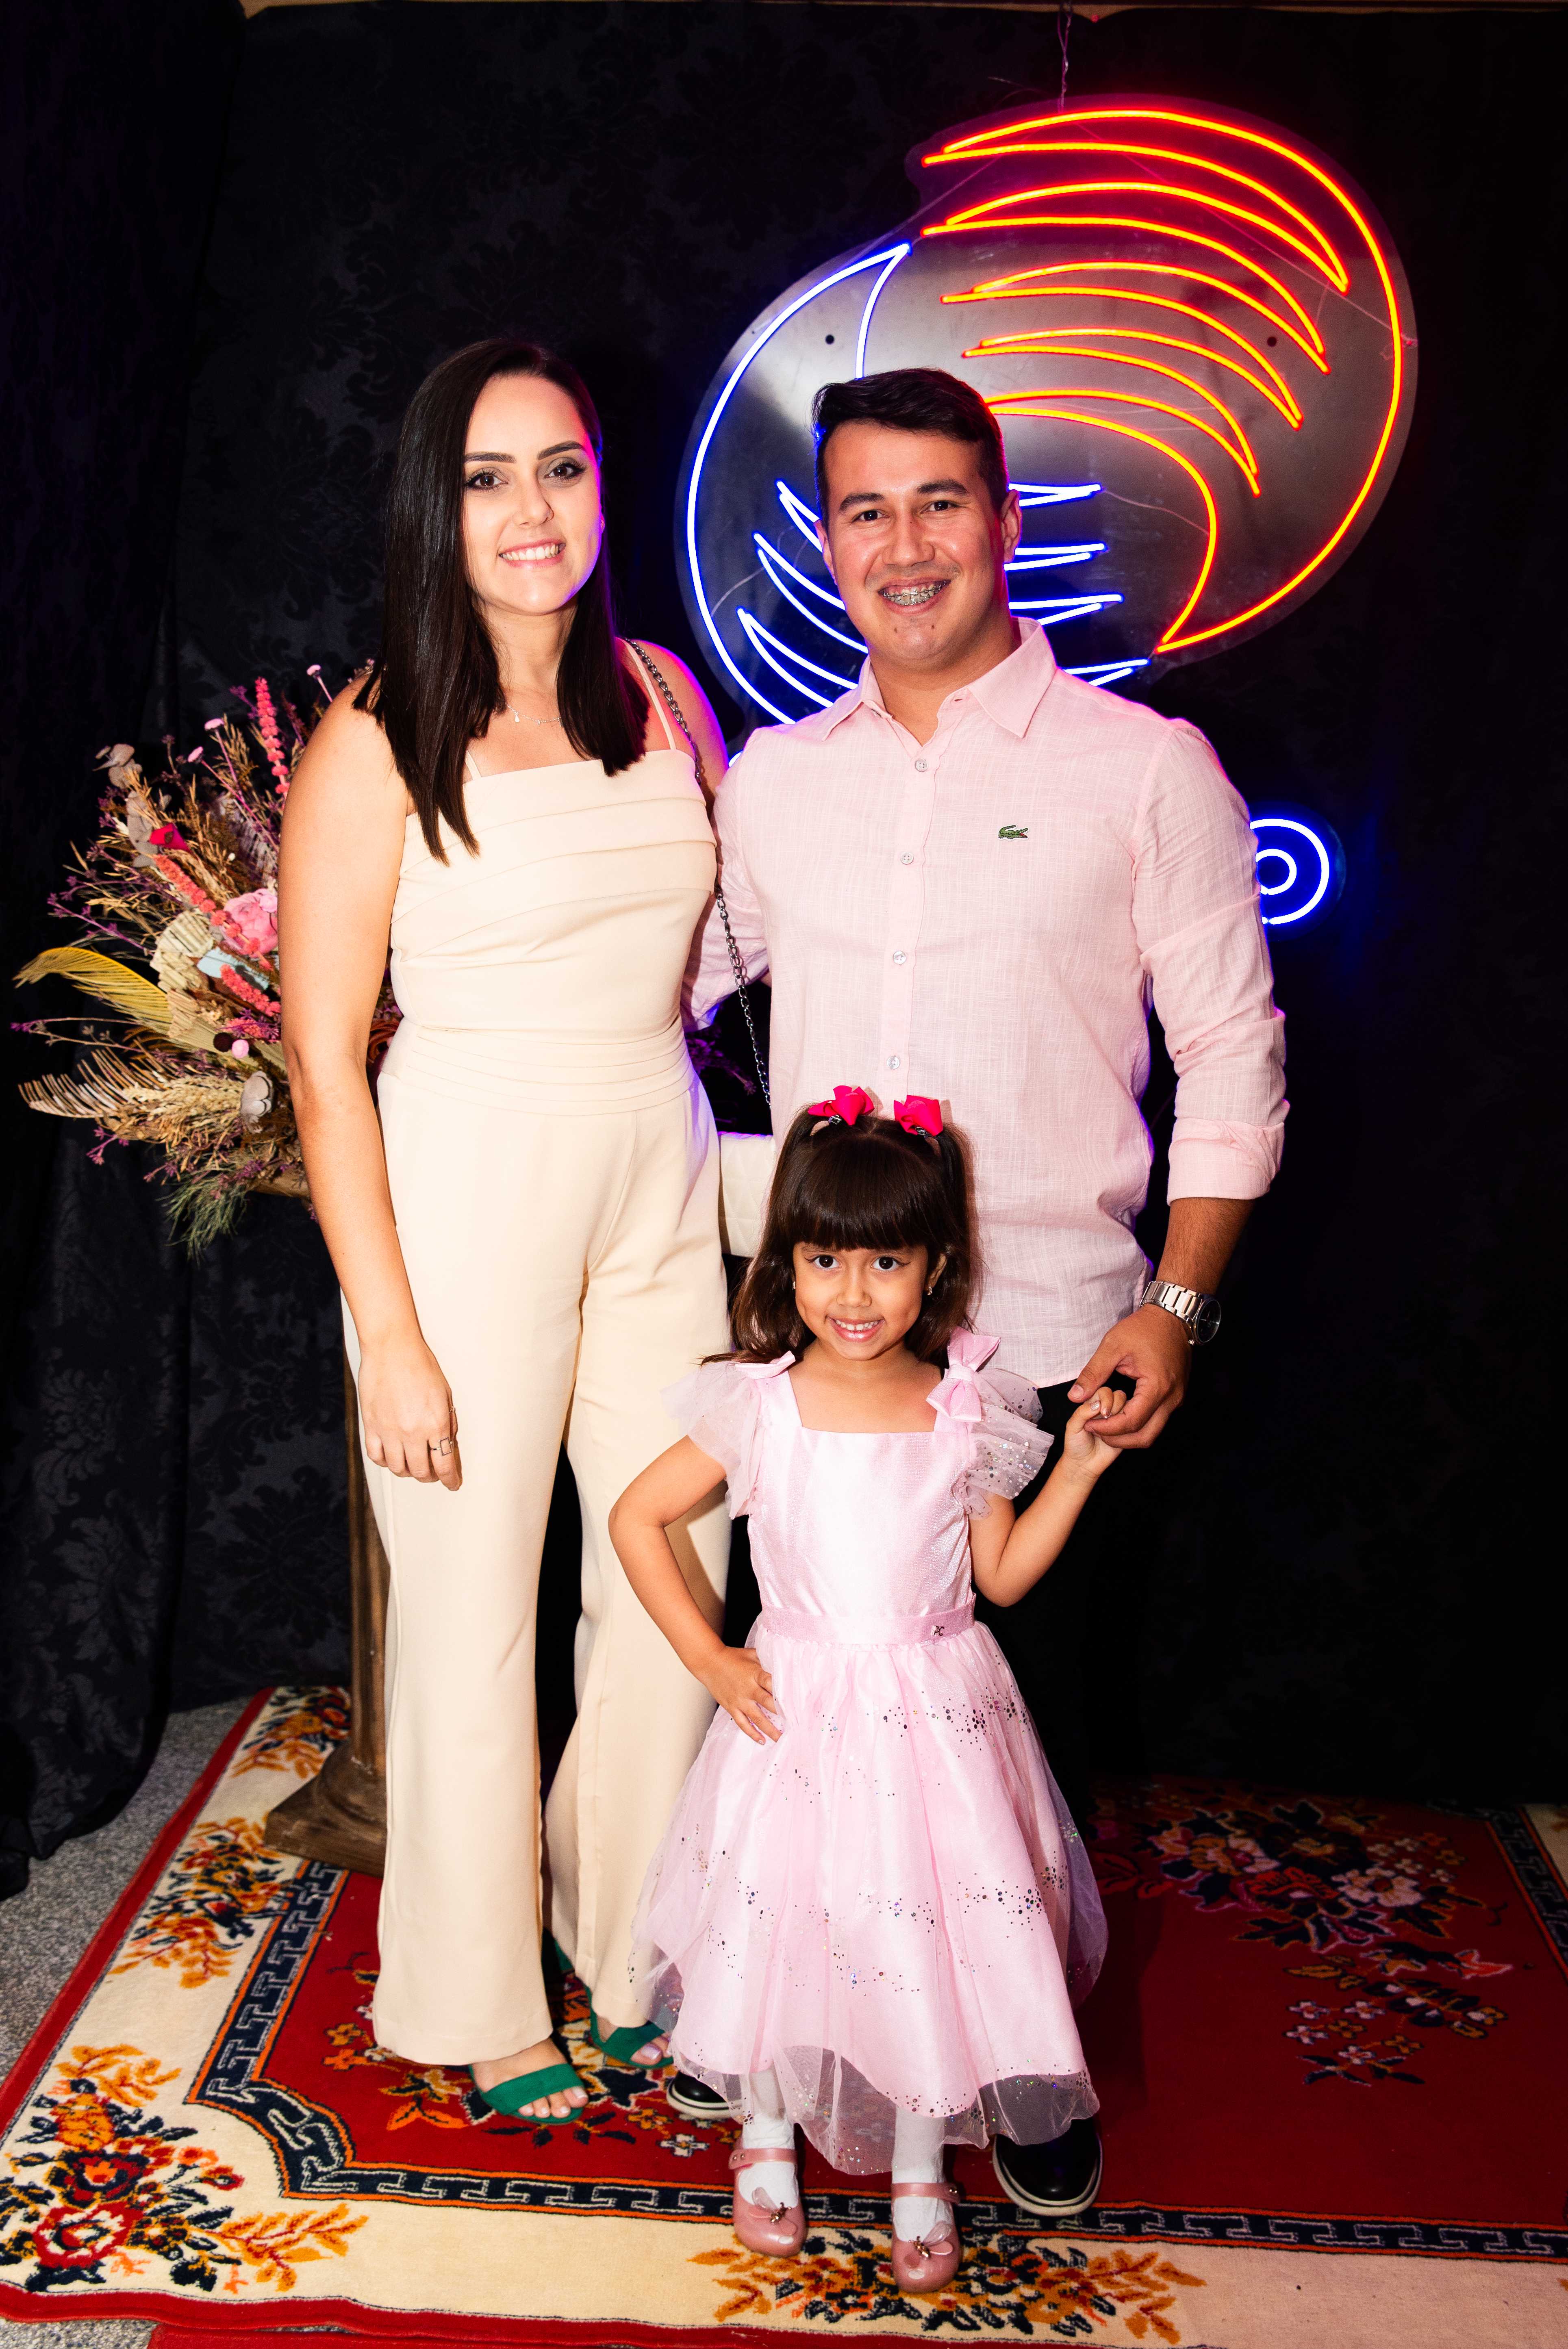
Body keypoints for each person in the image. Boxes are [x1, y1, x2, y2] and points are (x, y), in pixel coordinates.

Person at [683, 366, 1288, 2212]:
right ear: (826, 541)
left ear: (1004, 520)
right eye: (864, 510)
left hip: (1041, 1343)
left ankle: (1022, 2069)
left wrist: (1174, 1308)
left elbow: (1232, 1054)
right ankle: (830, 2045)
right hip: (824, 1359)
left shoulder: (1142, 766)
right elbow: (665, 986)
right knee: (825, 1739)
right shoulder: (776, 782)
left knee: (1009, 1746)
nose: (904, 544)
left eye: (939, 501)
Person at [279, 337, 734, 2122]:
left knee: (673, 1562)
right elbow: (323, 1062)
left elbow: (712, 955)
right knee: (471, 1608)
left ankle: (629, 1941)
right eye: (485, 478)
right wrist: (389, 1331)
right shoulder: (374, 732)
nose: (530, 509)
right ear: (434, 507)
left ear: (602, 487)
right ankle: (473, 1988)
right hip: (468, 1178)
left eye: (559, 467)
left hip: (659, 1159)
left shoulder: (663, 692)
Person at [610, 1095, 1118, 2290]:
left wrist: (1081, 1467)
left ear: (935, 1267)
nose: (853, 1291)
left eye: (886, 1262)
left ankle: (919, 2157)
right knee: (784, 1915)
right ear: (785, 1264)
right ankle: (765, 2126)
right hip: (795, 1711)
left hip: (936, 1719)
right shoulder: (760, 1404)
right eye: (824, 1259)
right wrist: (707, 1655)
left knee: (923, 1929)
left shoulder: (965, 1408)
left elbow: (1001, 1575)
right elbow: (636, 1516)